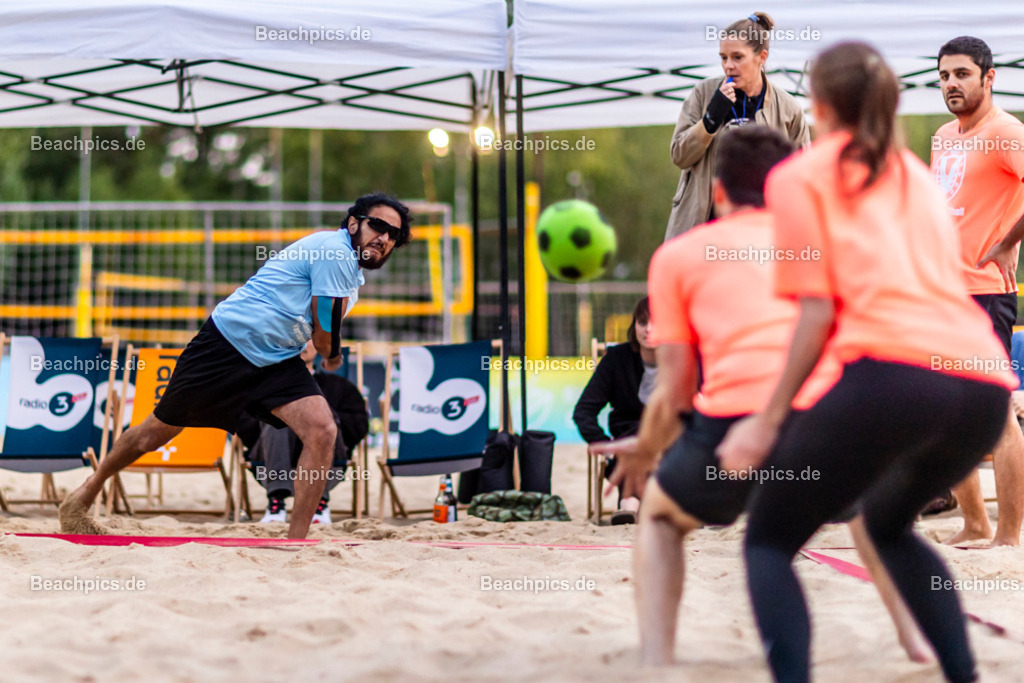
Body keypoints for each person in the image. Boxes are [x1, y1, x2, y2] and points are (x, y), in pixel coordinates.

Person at [716, 43, 1016, 683]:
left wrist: (768, 419)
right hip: (983, 382)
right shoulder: (914, 174)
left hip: (896, 371)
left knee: (768, 539)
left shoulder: (799, 177)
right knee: (887, 524)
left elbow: (815, 314)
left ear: (818, 103)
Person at [592, 125, 929, 667]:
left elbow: (675, 389)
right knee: (869, 513)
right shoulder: (824, 244)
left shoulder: (679, 256)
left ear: (718, 191)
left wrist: (646, 450)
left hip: (730, 427)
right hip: (818, 422)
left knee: (658, 518)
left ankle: (657, 657)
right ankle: (913, 640)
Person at [60, 192, 410, 540]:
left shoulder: (350, 277)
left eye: (392, 234)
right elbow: (324, 337)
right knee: (154, 433)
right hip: (226, 345)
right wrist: (332, 357)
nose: (383, 237)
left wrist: (325, 349)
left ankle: (296, 542)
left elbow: (316, 330)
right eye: (377, 226)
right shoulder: (335, 250)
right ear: (353, 223)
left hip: (276, 358)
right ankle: (85, 493)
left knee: (322, 430)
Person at [931, 36, 1024, 547]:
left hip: (985, 293)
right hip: (942, 295)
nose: (951, 84)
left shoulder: (1007, 132)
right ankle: (973, 523)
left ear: (989, 77)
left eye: (962, 74)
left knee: (995, 415)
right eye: (944, 75)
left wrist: (1009, 241)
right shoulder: (944, 135)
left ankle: (1008, 537)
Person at [664, 11, 809, 241]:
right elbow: (679, 156)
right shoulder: (703, 93)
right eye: (723, 58)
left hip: (762, 235)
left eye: (737, 57)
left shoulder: (789, 109)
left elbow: (803, 178)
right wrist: (710, 120)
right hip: (702, 232)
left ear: (761, 57)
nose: (728, 66)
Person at [235, 341, 369, 525]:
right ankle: (277, 500)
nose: (302, 344)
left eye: (308, 338)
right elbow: (243, 422)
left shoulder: (339, 386)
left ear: (319, 345)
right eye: (296, 338)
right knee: (280, 414)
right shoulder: (265, 384)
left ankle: (317, 500)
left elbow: (359, 424)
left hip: (329, 459)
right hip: (271, 456)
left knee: (321, 414)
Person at [573, 297, 656, 524]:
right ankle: (636, 504)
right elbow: (583, 411)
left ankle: (630, 503)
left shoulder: (681, 359)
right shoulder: (617, 359)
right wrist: (604, 444)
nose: (648, 329)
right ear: (634, 325)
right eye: (642, 322)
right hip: (625, 446)